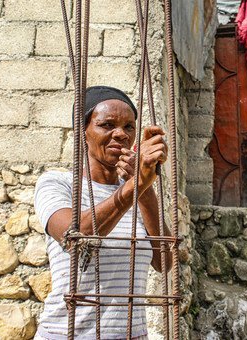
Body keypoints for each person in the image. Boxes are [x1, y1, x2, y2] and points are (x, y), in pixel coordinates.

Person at [34, 86, 172, 339]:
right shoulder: (58, 184)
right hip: (68, 334)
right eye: (107, 125)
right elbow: (77, 235)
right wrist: (137, 184)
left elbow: (164, 262)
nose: (120, 134)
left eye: (129, 127)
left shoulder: (136, 190)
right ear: (83, 132)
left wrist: (145, 187)